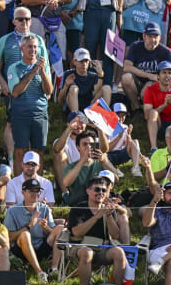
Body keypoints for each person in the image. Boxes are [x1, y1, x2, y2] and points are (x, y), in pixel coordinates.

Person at [68, 176, 134, 285]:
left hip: (103, 247)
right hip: (82, 246)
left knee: (119, 252)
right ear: (88, 191)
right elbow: (76, 232)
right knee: (87, 253)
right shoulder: (78, 208)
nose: (101, 193)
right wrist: (96, 216)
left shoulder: (108, 209)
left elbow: (115, 235)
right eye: (97, 189)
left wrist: (108, 215)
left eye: (104, 190)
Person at [7, 34, 53, 174]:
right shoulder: (14, 68)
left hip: (40, 114)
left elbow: (49, 91)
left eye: (35, 47)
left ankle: (37, 186)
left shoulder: (43, 67)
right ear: (22, 48)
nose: (33, 50)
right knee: (21, 151)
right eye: (29, 47)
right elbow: (15, 92)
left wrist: (43, 72)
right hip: (21, 114)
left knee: (39, 151)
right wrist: (33, 72)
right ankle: (17, 184)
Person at [120, 22, 171, 111]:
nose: (153, 40)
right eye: (150, 36)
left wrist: (150, 83)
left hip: (156, 83)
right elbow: (127, 67)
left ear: (160, 37)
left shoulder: (166, 52)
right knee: (126, 78)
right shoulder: (135, 46)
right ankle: (136, 109)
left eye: (155, 36)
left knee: (151, 88)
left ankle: (151, 111)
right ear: (144, 36)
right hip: (138, 82)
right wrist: (148, 76)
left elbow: (170, 75)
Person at [62, 130, 119, 206]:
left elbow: (116, 179)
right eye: (85, 144)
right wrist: (82, 162)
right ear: (78, 147)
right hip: (79, 204)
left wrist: (105, 161)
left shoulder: (101, 163)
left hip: (100, 202)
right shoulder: (72, 166)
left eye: (91, 144)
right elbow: (66, 183)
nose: (89, 147)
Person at [143, 60, 171, 151]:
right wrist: (164, 105)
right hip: (159, 124)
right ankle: (153, 148)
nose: (167, 76)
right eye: (164, 73)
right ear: (158, 76)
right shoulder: (150, 89)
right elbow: (146, 115)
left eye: (170, 73)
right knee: (153, 112)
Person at [57, 48, 107, 113]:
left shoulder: (93, 76)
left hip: (88, 108)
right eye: (81, 61)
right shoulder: (68, 74)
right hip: (71, 109)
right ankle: (76, 116)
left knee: (106, 88)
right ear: (74, 62)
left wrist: (100, 75)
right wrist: (66, 85)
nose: (84, 64)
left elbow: (96, 95)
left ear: (89, 62)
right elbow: (60, 100)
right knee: (73, 88)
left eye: (86, 61)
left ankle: (104, 117)